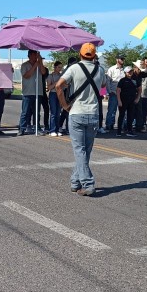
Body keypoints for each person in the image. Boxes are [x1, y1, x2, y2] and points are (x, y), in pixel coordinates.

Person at [55, 43, 107, 196]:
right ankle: (75, 181)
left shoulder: (74, 68)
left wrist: (64, 105)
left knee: (80, 150)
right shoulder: (100, 70)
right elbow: (103, 84)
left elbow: (59, 86)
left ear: (80, 54)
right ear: (94, 55)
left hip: (76, 112)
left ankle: (88, 183)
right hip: (94, 113)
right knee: (86, 151)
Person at [19, 50, 48, 135]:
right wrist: (34, 66)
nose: (36, 57)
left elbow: (43, 72)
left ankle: (37, 127)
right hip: (28, 92)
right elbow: (26, 75)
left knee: (37, 112)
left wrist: (40, 62)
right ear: (30, 55)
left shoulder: (39, 64)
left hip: (38, 92)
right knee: (25, 111)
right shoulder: (24, 65)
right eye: (35, 55)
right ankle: (22, 128)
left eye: (37, 55)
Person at [116, 66, 139, 137]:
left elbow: (139, 89)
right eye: (128, 72)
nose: (130, 73)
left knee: (130, 116)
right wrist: (119, 101)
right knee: (122, 115)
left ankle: (129, 130)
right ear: (125, 72)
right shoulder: (122, 80)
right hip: (123, 100)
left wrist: (137, 98)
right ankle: (119, 131)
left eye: (131, 71)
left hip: (132, 101)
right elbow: (118, 91)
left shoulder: (134, 80)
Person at [105, 54, 125, 131]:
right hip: (114, 93)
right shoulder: (111, 69)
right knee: (111, 110)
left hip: (123, 94)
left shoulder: (124, 70)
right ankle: (109, 125)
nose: (123, 60)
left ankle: (121, 126)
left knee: (123, 110)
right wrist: (109, 91)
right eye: (121, 59)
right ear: (117, 60)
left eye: (123, 59)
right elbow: (108, 81)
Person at [47, 60, 63, 136]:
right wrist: (56, 83)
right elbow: (49, 87)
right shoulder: (50, 76)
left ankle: (57, 129)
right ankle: (52, 130)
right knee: (53, 112)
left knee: (58, 112)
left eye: (61, 67)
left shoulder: (62, 76)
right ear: (55, 67)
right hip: (53, 94)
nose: (60, 69)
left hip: (60, 94)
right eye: (59, 67)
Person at [137, 57, 147, 132]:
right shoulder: (141, 71)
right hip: (141, 93)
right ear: (143, 62)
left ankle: (144, 123)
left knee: (145, 110)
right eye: (146, 62)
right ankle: (138, 124)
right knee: (139, 110)